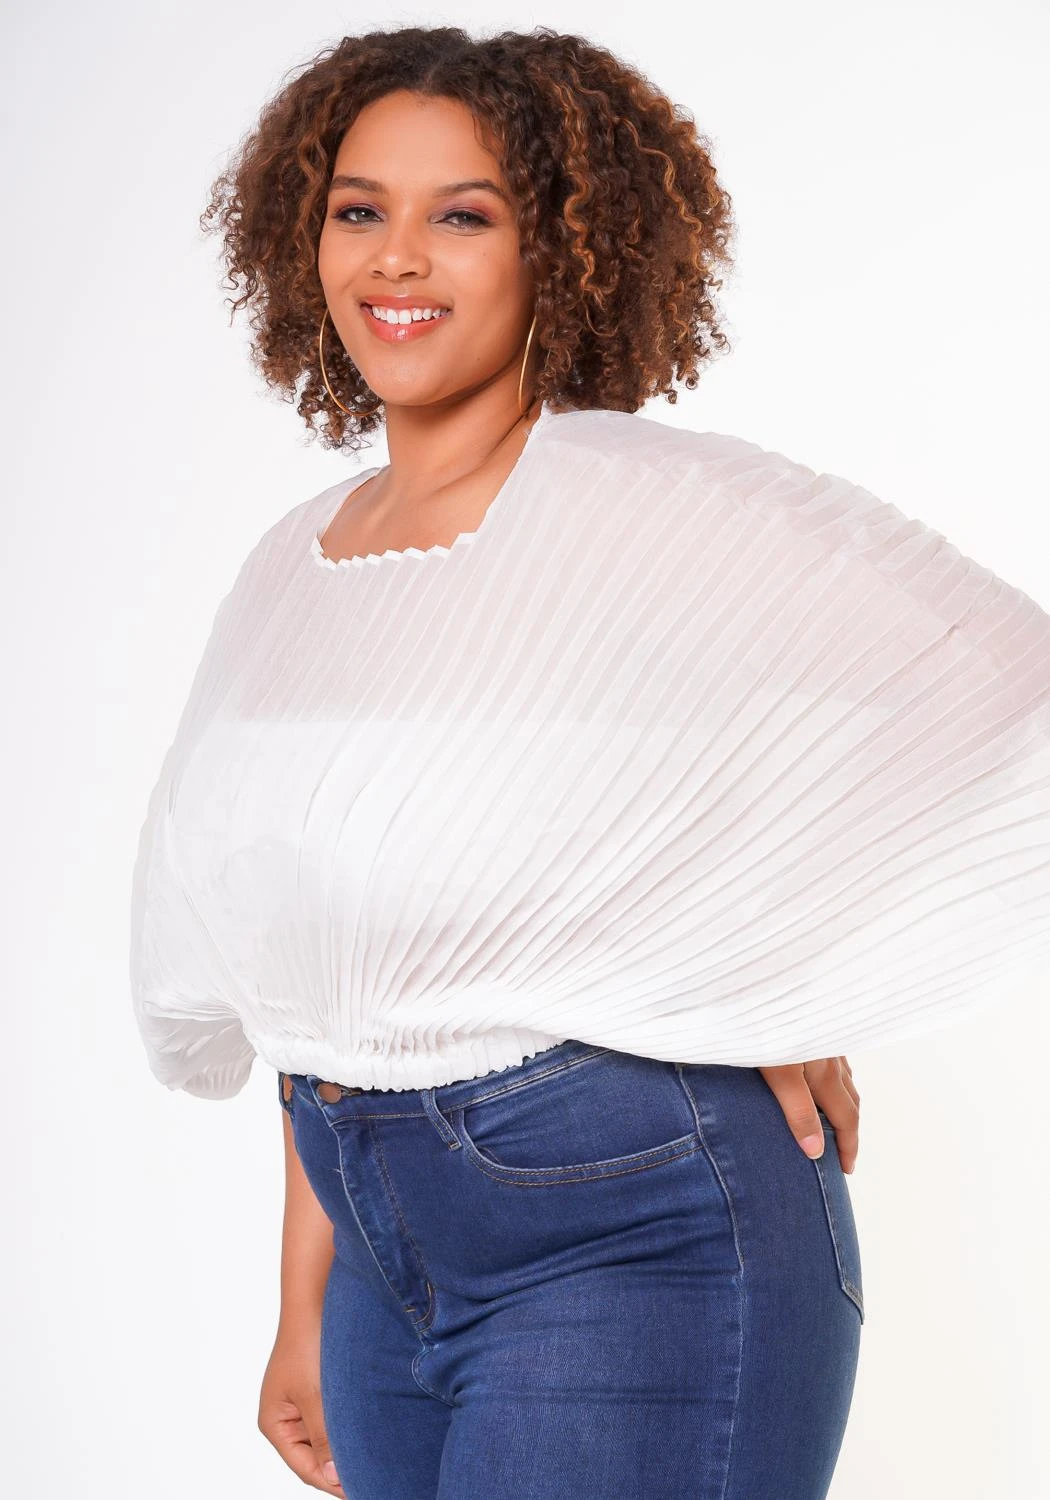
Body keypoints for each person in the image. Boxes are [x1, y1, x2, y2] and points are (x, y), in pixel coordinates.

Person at [128, 24, 1050, 1500]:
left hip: (633, 1230)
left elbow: (1002, 681)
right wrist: (306, 1296)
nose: (396, 257)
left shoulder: (651, 506)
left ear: (561, 247)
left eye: (463, 215)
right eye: (359, 209)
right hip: (376, 1266)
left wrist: (768, 977)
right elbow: (320, 972)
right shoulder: (289, 564)